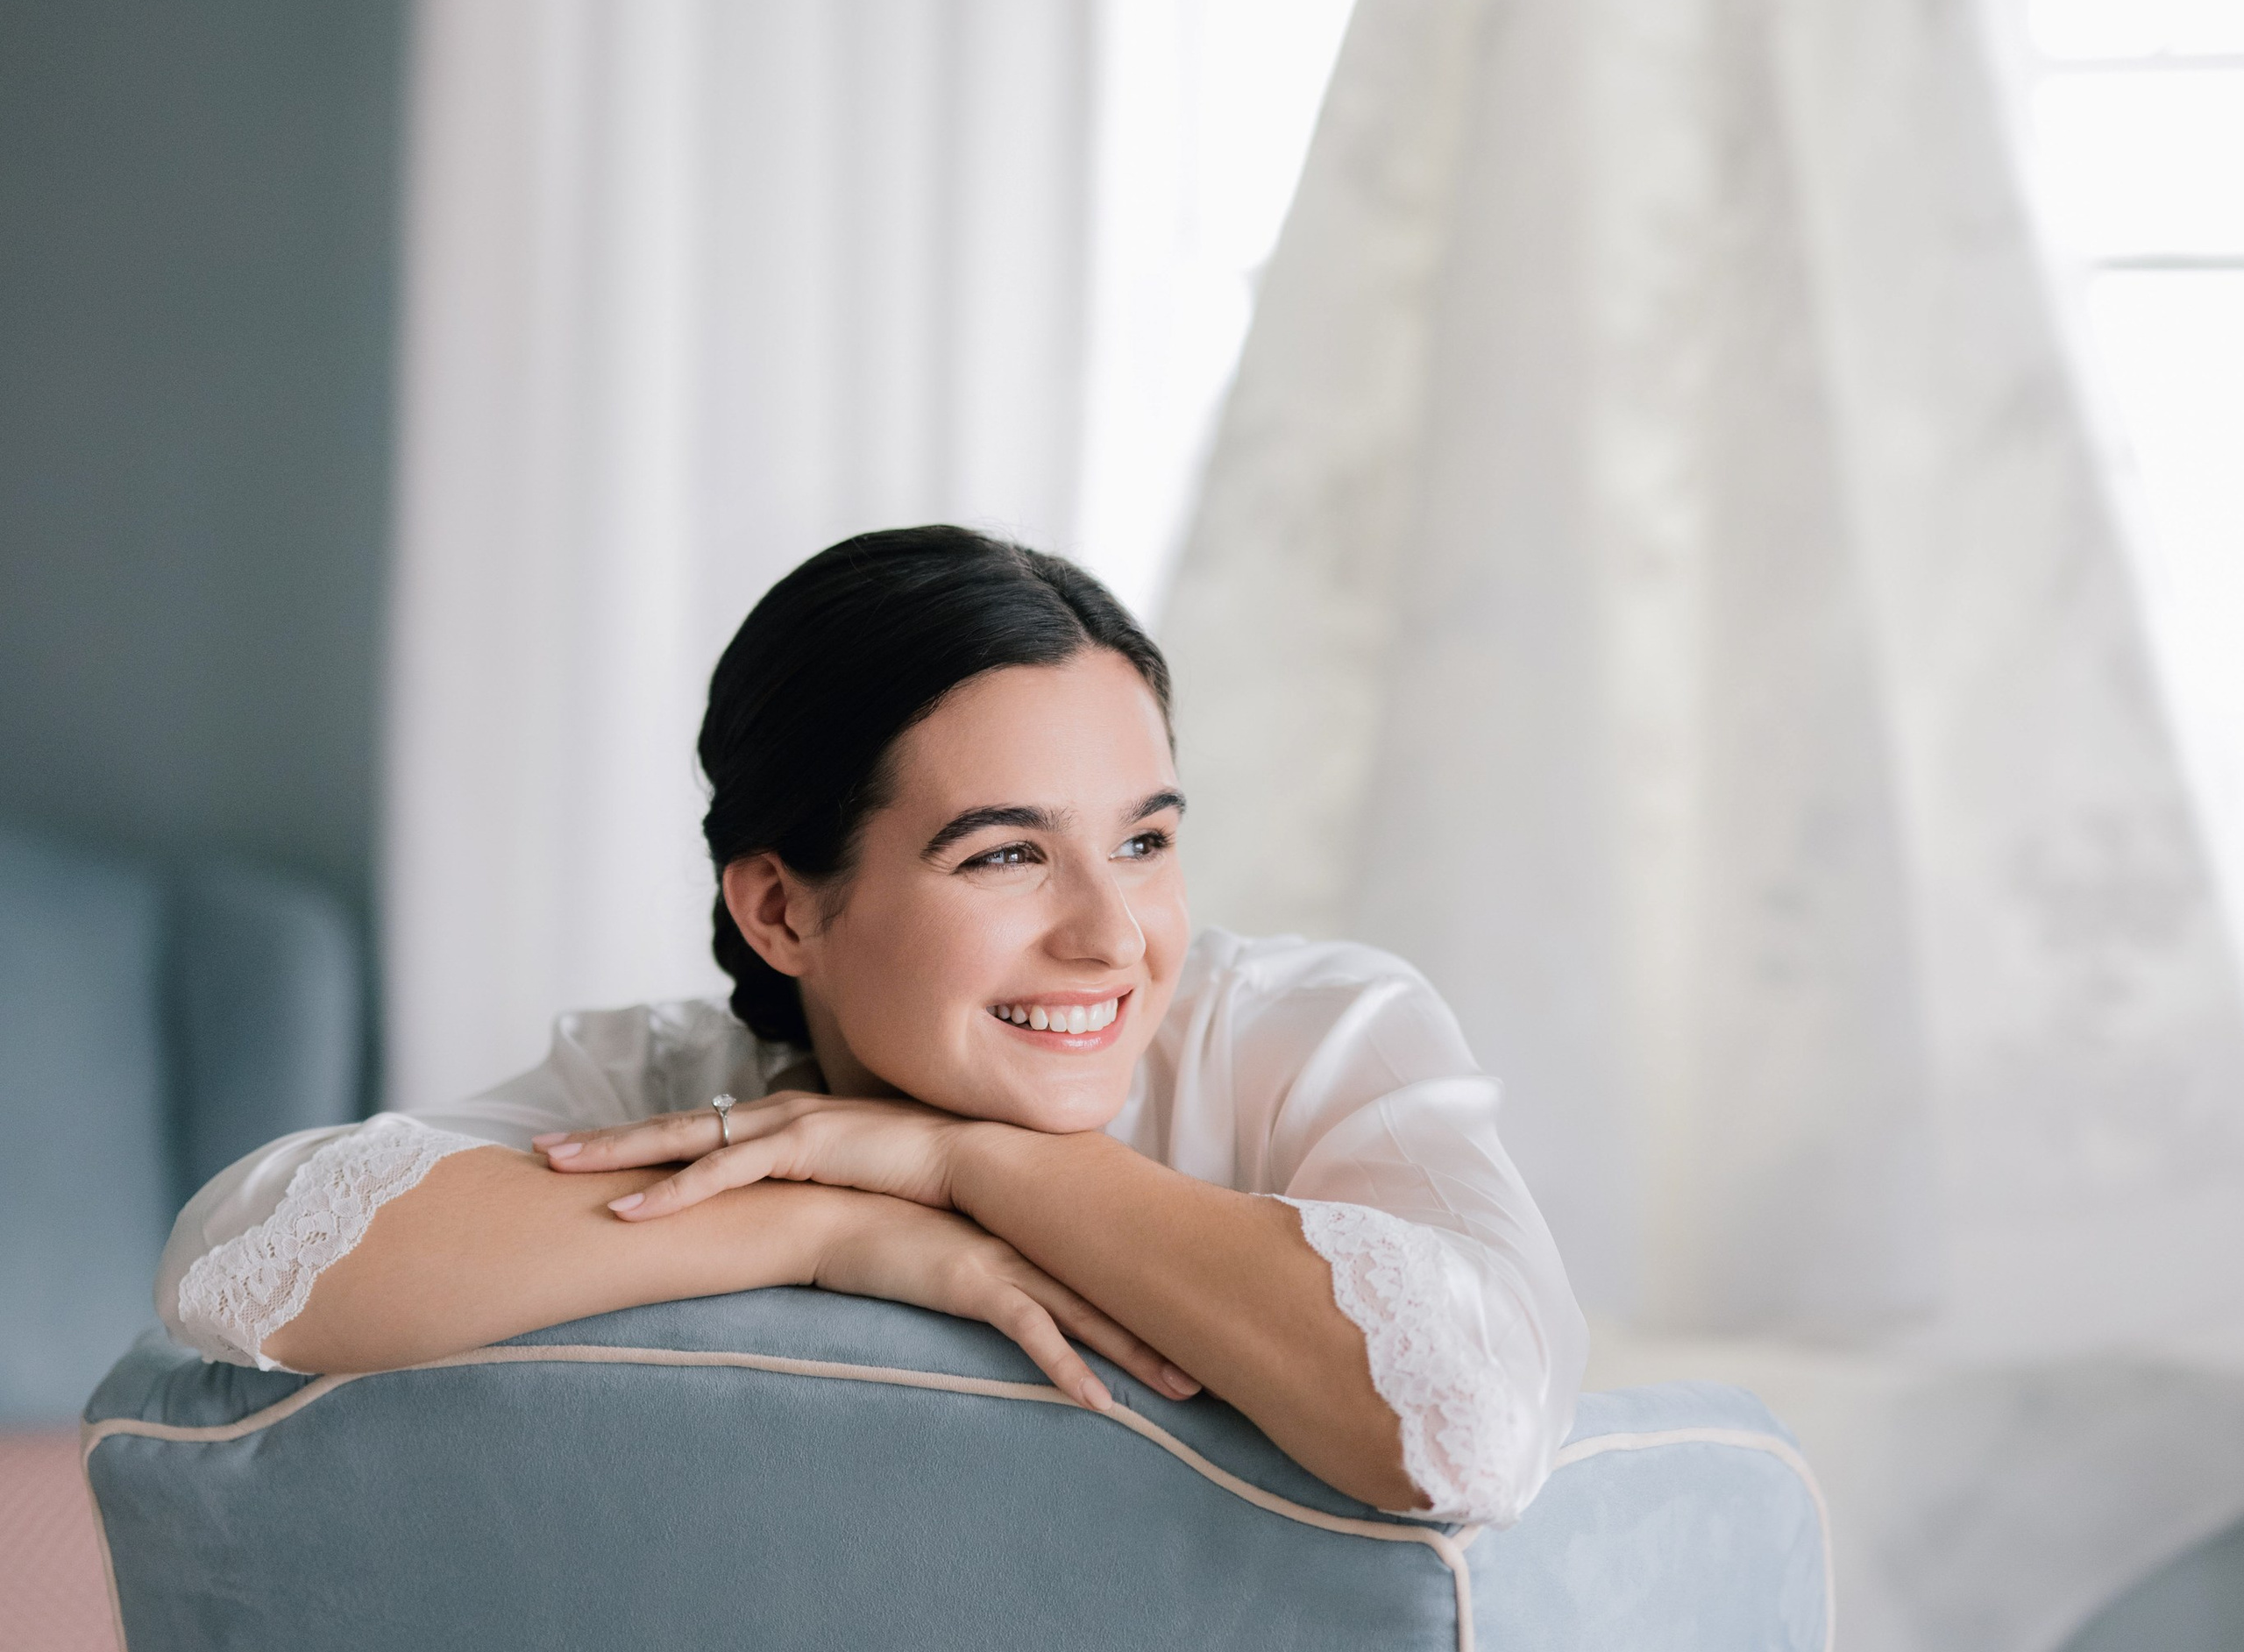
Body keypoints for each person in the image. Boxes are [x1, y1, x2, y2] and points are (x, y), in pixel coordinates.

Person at [160, 529, 1585, 1521]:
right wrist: (832, 1225)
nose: (1110, 934)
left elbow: (1468, 1427)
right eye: (1003, 855)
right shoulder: (681, 1084)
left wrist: (982, 1168)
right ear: (783, 912)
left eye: (1144, 843)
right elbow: (244, 1270)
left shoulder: (1311, 1037)